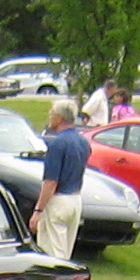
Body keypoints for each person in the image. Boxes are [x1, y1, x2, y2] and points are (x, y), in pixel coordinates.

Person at [32, 99, 90, 258]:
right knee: (66, 251)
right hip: (75, 200)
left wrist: (38, 210)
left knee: (53, 255)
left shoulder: (58, 144)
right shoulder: (83, 142)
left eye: (51, 114)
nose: (49, 117)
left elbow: (51, 181)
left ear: (59, 118)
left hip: (58, 201)